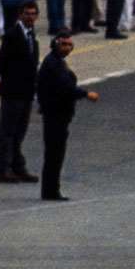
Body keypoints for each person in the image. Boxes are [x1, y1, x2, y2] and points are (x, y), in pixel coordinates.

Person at [35, 30, 96, 201]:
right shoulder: (53, 63)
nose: (67, 48)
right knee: (54, 153)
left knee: (55, 153)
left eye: (70, 45)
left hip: (58, 113)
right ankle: (50, 190)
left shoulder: (57, 61)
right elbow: (65, 87)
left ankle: (51, 189)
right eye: (64, 44)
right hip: (55, 113)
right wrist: (86, 94)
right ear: (56, 44)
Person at [0, 0, 41, 183]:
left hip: (26, 92)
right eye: (27, 14)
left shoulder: (31, 36)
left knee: (20, 131)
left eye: (33, 14)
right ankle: (4, 168)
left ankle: (17, 165)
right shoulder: (12, 36)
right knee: (8, 131)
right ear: (20, 15)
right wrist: (10, 81)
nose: (30, 17)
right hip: (13, 92)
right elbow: (1, 63)